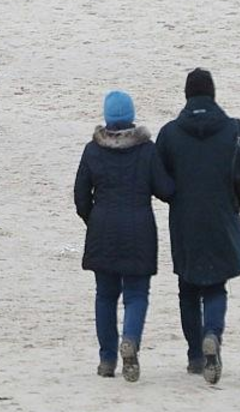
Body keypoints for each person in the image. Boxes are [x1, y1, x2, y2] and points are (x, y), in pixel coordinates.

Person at [156, 68, 240, 384]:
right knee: (216, 285)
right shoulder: (234, 129)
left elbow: (158, 179)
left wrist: (174, 196)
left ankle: (194, 355)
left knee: (188, 289)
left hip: (184, 222)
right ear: (213, 94)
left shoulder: (170, 133)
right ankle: (212, 335)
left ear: (187, 95)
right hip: (222, 217)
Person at [74, 90, 174, 382]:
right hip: (139, 228)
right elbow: (166, 190)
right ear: (131, 116)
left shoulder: (92, 150)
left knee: (105, 296)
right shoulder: (147, 150)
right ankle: (130, 340)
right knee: (136, 294)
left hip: (102, 228)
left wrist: (94, 220)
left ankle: (107, 359)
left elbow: (81, 196)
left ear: (107, 117)